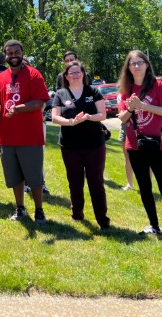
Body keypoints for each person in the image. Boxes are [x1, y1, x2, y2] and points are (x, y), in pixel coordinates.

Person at [118, 50, 162, 246]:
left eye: (140, 62)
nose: (136, 66)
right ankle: (154, 226)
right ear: (128, 68)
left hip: (158, 145)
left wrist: (142, 106)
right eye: (132, 63)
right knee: (144, 188)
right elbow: (121, 118)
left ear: (147, 65)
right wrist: (130, 108)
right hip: (135, 145)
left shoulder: (158, 86)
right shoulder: (125, 89)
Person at [0, 40, 50, 223]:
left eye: (16, 52)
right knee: (14, 177)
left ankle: (39, 210)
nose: (13, 55)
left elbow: (40, 102)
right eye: (9, 53)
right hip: (7, 137)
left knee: (34, 177)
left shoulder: (34, 74)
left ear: (22, 53)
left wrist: (19, 108)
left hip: (30, 137)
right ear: (5, 55)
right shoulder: (0, 78)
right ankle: (20, 208)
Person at [52, 61, 110, 229]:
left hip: (94, 145)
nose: (76, 75)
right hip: (70, 146)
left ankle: (102, 219)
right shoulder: (61, 93)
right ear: (66, 76)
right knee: (75, 181)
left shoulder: (94, 91)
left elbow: (102, 114)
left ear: (83, 74)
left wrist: (88, 117)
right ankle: (77, 214)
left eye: (79, 72)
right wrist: (71, 121)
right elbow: (55, 117)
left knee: (96, 182)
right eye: (72, 73)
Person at [116, 92, 134, 191]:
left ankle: (146, 185)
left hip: (140, 128)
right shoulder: (121, 96)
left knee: (146, 159)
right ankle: (130, 184)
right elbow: (122, 117)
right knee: (128, 158)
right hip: (126, 128)